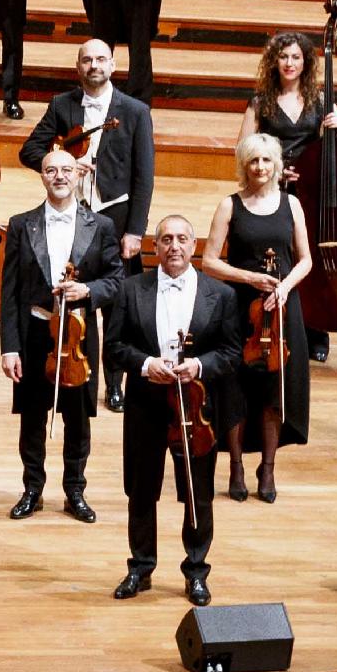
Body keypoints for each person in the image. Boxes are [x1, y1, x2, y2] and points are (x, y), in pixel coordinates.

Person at [105, 212, 238, 604]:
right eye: (165, 239)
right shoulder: (131, 290)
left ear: (194, 246)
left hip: (197, 408)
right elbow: (114, 347)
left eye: (181, 239)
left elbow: (231, 353)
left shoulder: (222, 295)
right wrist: (147, 366)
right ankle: (141, 567)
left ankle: (196, 571)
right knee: (141, 490)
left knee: (197, 491)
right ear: (155, 246)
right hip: (146, 403)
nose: (174, 246)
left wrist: (198, 366)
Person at [0, 142, 115, 523]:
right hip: (34, 333)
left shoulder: (102, 226)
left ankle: (74, 491)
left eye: (67, 170)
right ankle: (32, 488)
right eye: (51, 170)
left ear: (79, 174)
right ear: (43, 176)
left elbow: (116, 280)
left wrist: (89, 291)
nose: (60, 177)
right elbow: (10, 290)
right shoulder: (21, 224)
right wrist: (9, 347)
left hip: (78, 336)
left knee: (78, 419)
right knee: (32, 416)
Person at [201, 132, 314, 497]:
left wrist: (283, 288)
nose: (260, 167)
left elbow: (305, 259)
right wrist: (249, 276)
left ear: (277, 165)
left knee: (272, 390)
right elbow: (209, 262)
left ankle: (268, 469)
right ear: (244, 166)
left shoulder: (291, 205)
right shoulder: (230, 205)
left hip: (281, 308)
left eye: (266, 160)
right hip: (238, 306)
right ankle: (235, 468)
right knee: (234, 388)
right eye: (253, 161)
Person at [243, 30, 337, 363]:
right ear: (274, 61)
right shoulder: (260, 100)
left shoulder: (318, 98)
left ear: (305, 62)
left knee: (310, 256)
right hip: (273, 186)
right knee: (283, 256)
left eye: (296, 57)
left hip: (311, 191)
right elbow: (243, 147)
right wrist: (274, 169)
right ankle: (278, 326)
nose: (290, 63)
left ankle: (316, 329)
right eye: (284, 57)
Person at [27, 39, 154, 241]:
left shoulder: (136, 111)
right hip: (70, 208)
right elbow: (29, 151)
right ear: (78, 67)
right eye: (87, 60)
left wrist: (135, 232)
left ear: (112, 66)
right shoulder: (61, 104)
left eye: (101, 59)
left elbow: (144, 178)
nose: (94, 65)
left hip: (116, 213)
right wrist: (64, 165)